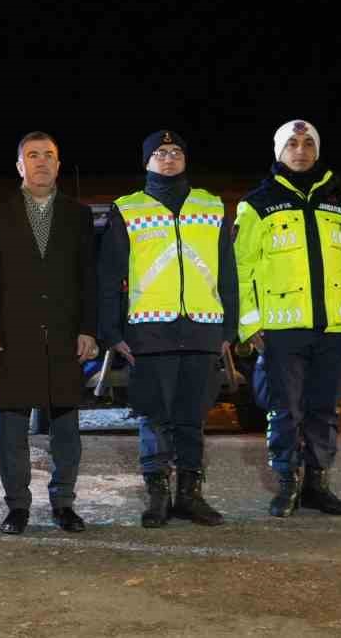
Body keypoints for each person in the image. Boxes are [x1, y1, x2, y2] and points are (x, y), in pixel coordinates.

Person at [98, 129, 236, 528]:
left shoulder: (211, 206)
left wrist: (229, 326)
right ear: (146, 162)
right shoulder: (128, 209)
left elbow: (227, 270)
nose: (169, 158)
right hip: (148, 331)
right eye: (160, 153)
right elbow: (109, 275)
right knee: (154, 416)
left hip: (202, 327)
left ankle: (190, 496)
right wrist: (112, 331)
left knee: (193, 417)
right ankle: (157, 496)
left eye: (176, 151)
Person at [235, 120, 341, 517]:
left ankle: (318, 484)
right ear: (279, 152)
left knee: (325, 408)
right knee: (285, 410)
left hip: (333, 328)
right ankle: (287, 484)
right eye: (291, 143)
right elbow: (243, 269)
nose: (300, 149)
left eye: (308, 142)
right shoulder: (257, 203)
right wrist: (251, 324)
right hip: (281, 330)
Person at [0, 132, 97, 534]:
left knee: (66, 426)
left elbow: (89, 280)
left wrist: (88, 329)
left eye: (49, 155)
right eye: (32, 155)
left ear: (59, 165)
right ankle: (18, 507)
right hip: (14, 334)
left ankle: (64, 503)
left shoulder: (78, 216)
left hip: (65, 335)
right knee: (13, 427)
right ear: (19, 165)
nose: (41, 161)